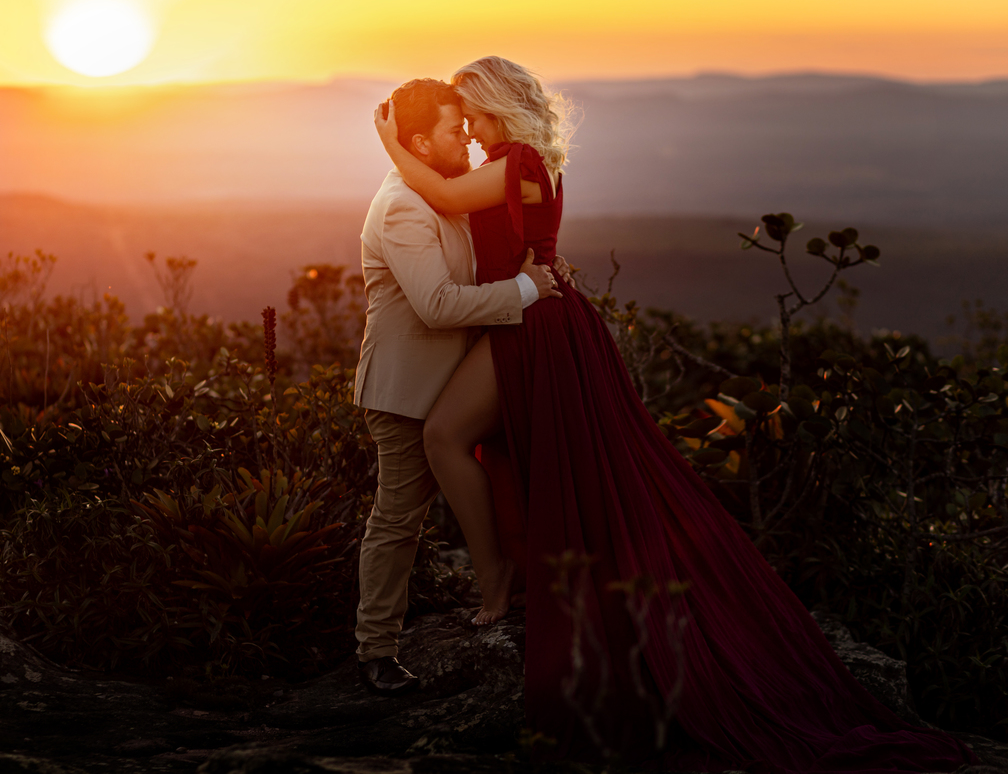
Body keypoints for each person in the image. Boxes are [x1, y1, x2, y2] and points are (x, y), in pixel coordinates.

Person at [374, 56, 977, 769]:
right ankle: (510, 569)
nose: (468, 128)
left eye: (470, 113)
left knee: (447, 434)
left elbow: (442, 193)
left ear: (494, 106)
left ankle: (499, 576)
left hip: (533, 324)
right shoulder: (531, 160)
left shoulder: (518, 161)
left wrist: (387, 144)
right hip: (536, 319)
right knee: (515, 448)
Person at [352, 77, 566, 696]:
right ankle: (376, 651)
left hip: (462, 376)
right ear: (419, 140)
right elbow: (438, 305)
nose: (468, 138)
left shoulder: (439, 195)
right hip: (407, 391)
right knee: (398, 520)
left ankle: (514, 575)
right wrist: (528, 289)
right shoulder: (401, 207)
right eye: (455, 128)